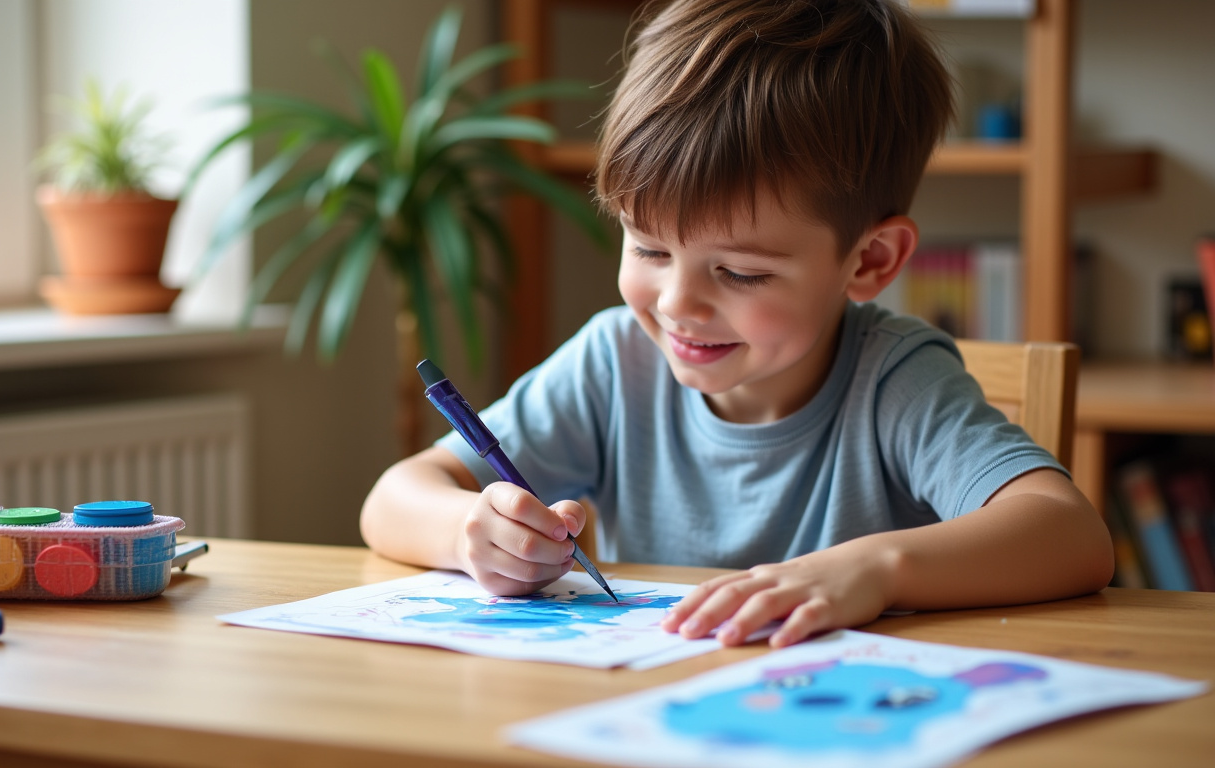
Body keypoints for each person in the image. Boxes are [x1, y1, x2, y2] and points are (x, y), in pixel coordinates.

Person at [360, 0, 1114, 649]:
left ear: (870, 260)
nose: (678, 303)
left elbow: (1071, 535)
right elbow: (395, 497)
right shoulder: (612, 361)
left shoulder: (895, 378)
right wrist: (472, 530)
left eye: (741, 271)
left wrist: (874, 569)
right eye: (649, 246)